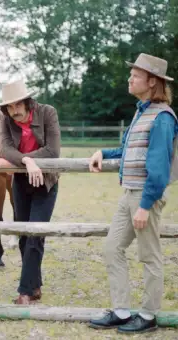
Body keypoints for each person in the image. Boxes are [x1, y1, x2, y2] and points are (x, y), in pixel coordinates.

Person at [88, 53, 178, 334]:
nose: (130, 78)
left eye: (136, 75)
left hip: (144, 196)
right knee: (112, 247)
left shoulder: (162, 117)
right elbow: (127, 150)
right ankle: (122, 311)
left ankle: (149, 316)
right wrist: (102, 152)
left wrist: (145, 205)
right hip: (129, 193)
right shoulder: (142, 112)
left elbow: (160, 169)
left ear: (152, 82)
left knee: (149, 256)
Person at [0, 79, 61, 305]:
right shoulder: (6, 121)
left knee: (35, 234)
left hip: (46, 182)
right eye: (9, 106)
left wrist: (31, 162)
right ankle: (35, 286)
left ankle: (25, 292)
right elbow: (4, 149)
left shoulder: (47, 113)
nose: (14, 111)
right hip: (22, 183)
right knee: (25, 236)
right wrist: (27, 161)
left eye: (17, 105)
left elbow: (53, 151)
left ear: (26, 101)